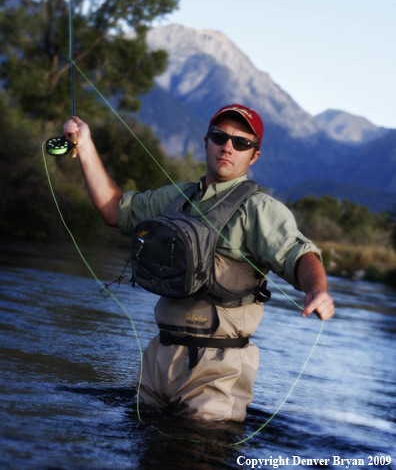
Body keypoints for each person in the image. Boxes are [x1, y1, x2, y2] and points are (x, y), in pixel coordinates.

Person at [63, 104, 334, 422]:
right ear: (207, 140)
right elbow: (114, 210)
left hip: (216, 368)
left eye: (241, 142)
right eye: (220, 137)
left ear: (254, 155)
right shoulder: (175, 198)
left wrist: (317, 289)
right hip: (159, 358)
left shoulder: (260, 210)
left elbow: (301, 255)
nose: (228, 147)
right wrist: (85, 145)